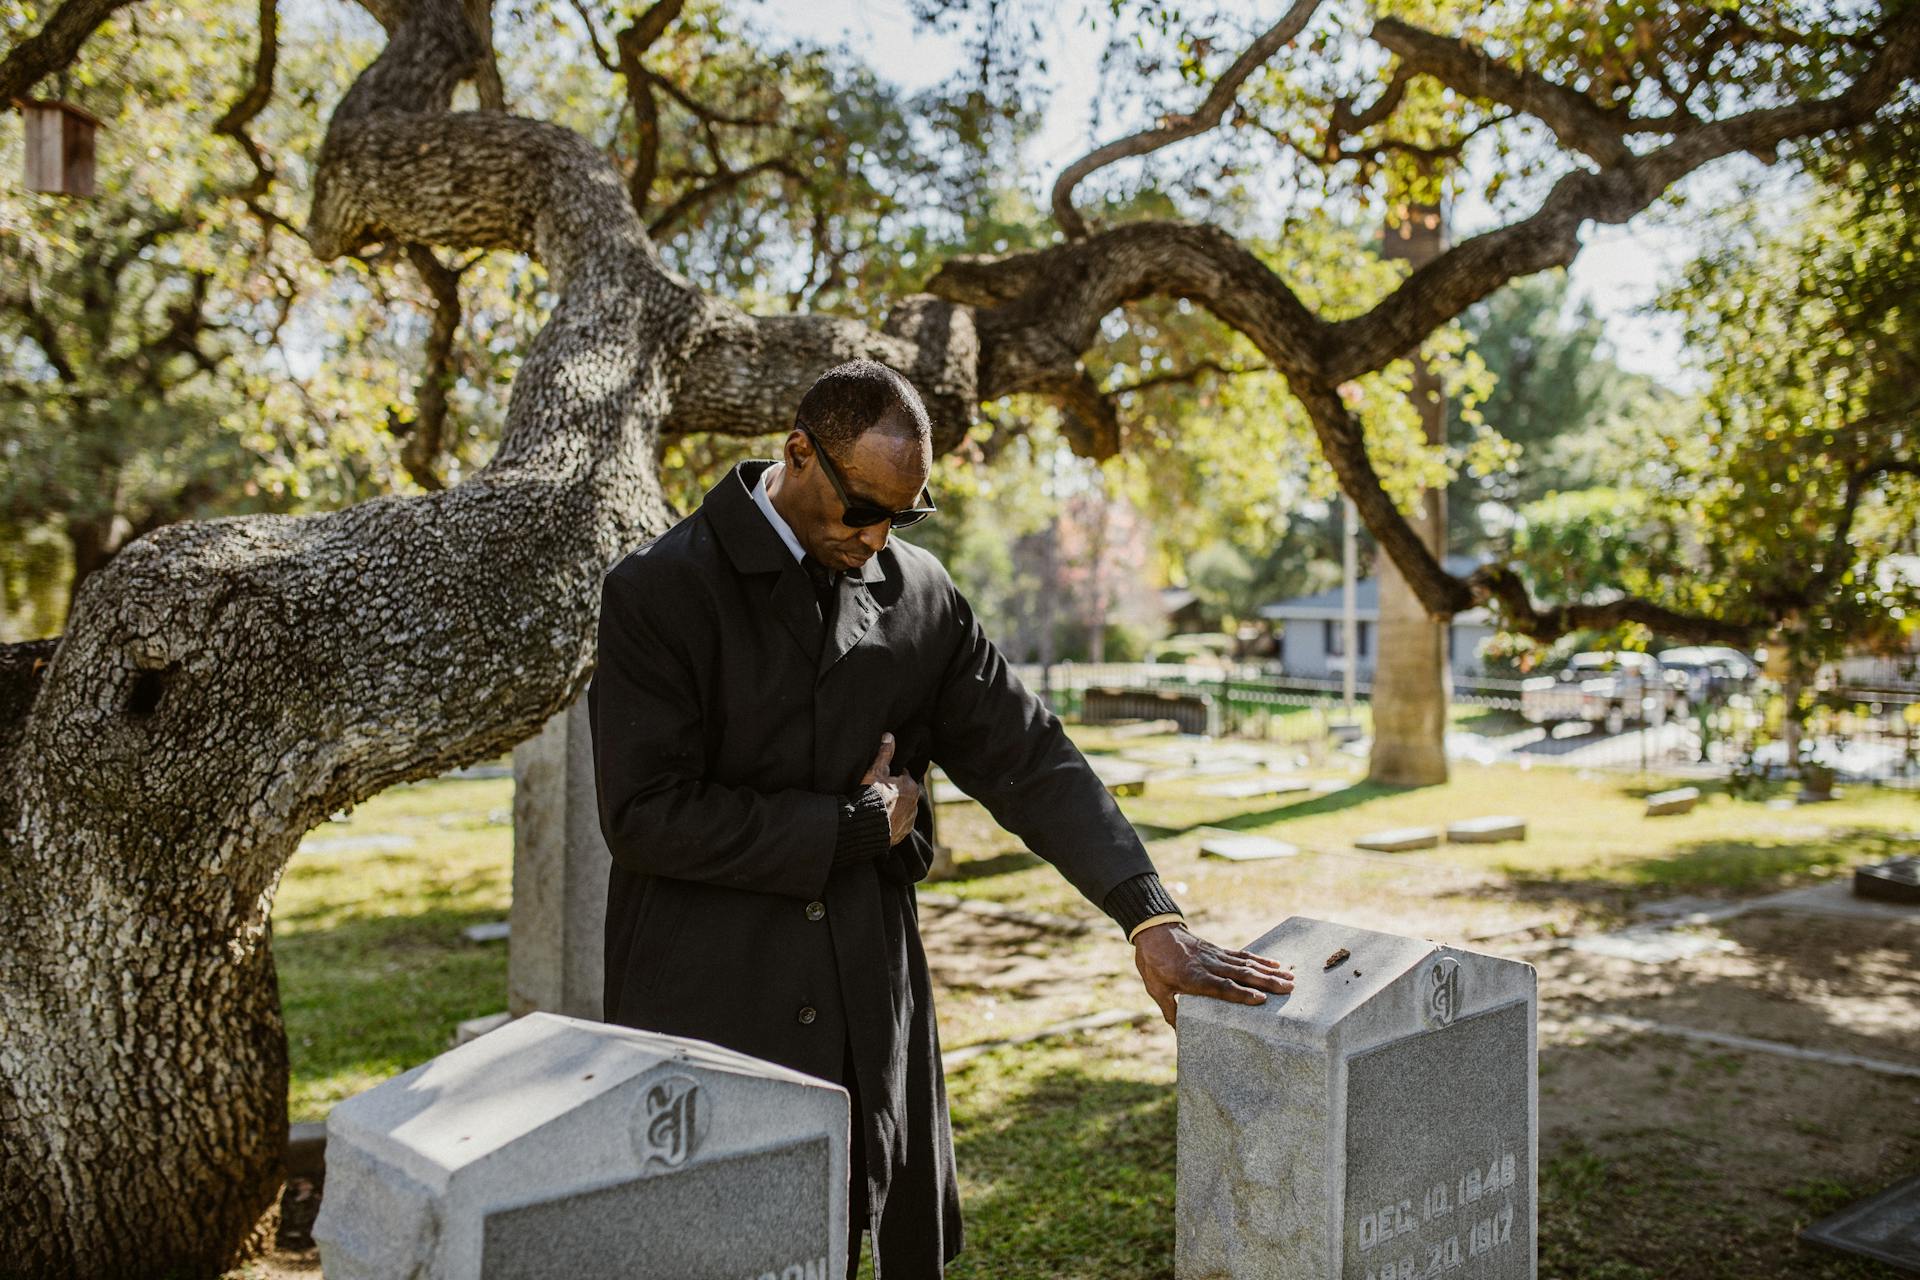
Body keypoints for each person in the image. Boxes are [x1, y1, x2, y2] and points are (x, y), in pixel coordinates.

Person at [587, 359, 1293, 1278]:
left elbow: (1029, 755)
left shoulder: (920, 594)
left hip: (863, 992)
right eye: (861, 509)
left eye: (902, 516)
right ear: (799, 453)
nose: (878, 539)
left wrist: (1149, 913)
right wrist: (851, 827)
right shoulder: (658, 588)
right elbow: (644, 815)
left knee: (860, 1235)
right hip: (712, 1000)